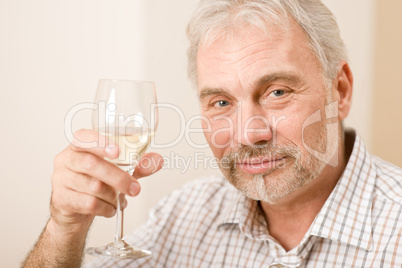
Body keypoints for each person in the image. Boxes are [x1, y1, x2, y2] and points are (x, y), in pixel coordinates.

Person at [22, 0, 401, 267]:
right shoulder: (183, 214)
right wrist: (64, 229)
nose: (248, 134)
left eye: (278, 92)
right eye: (221, 103)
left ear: (341, 91)